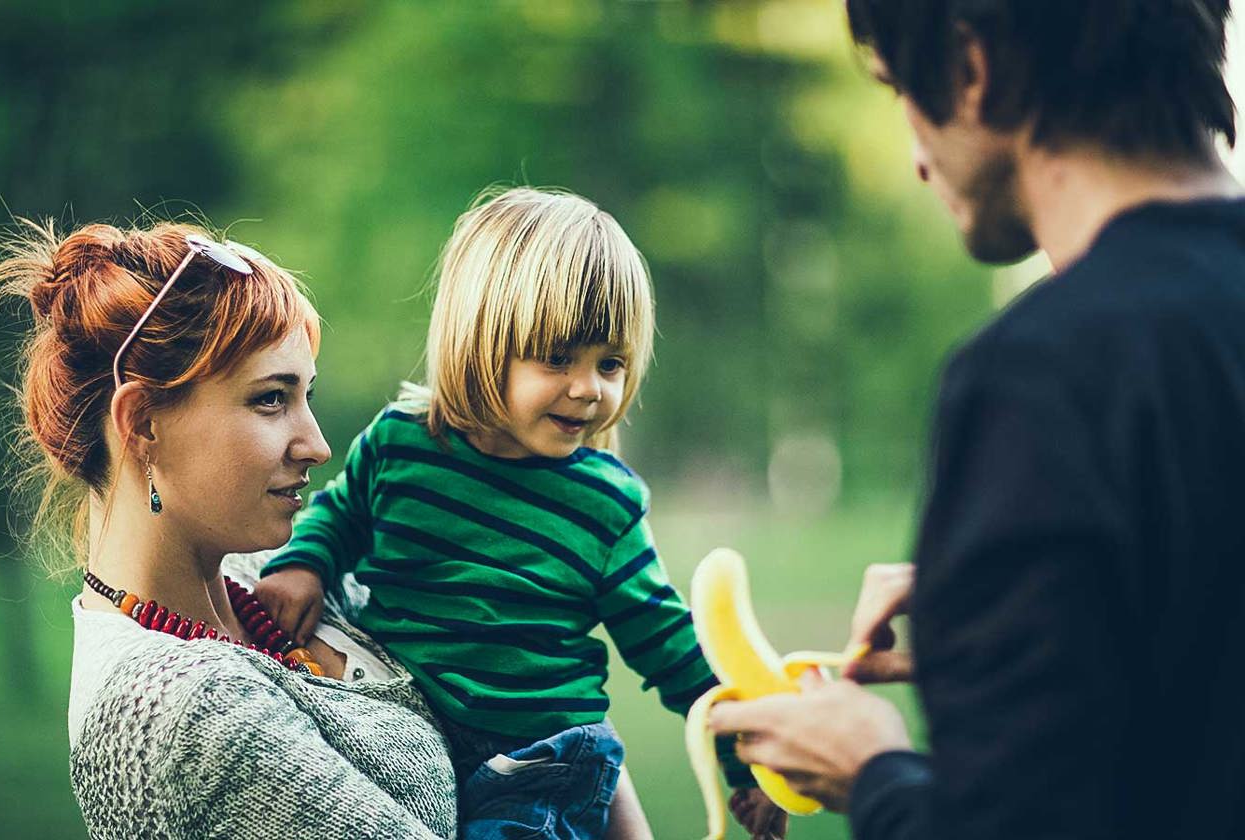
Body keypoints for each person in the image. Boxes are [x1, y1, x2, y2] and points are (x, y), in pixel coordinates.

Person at [709, 1, 1245, 839]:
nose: (918, 160)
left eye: (900, 93)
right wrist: (1029, 628)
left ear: (971, 67)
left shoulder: (1041, 377)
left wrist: (874, 773)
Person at [255, 187, 784, 839]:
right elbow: (339, 513)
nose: (589, 388)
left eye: (609, 362)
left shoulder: (605, 504)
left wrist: (744, 762)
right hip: (417, 731)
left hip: (549, 757)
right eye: (558, 357)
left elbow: (672, 649)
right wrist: (303, 566)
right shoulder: (401, 445)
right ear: (481, 342)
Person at [0, 218, 460, 838]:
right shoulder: (177, 711)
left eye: (306, 395)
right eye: (271, 399)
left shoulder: (263, 579)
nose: (318, 444)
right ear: (143, 423)